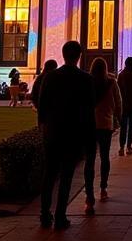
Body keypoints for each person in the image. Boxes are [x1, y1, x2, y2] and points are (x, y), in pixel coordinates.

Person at [38, 41, 95, 230]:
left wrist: (44, 126)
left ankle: (45, 215)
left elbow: (42, 103)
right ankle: (60, 216)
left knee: (49, 175)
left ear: (63, 55)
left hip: (53, 133)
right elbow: (89, 110)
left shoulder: (50, 77)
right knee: (66, 176)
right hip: (73, 134)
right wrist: (89, 138)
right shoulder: (85, 79)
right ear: (79, 56)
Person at [84, 57, 122, 214]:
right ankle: (103, 188)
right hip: (105, 124)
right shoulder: (112, 82)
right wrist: (118, 120)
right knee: (105, 157)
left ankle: (89, 197)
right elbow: (119, 103)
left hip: (89, 125)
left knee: (89, 160)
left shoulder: (86, 82)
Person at [116, 56, 132, 155]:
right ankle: (129, 147)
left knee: (123, 127)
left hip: (124, 105)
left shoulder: (121, 75)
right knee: (131, 126)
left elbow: (118, 91)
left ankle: (121, 148)